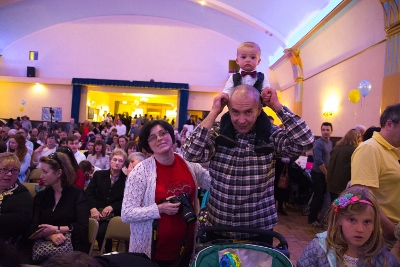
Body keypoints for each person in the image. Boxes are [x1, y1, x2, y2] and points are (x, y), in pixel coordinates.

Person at [182, 85, 313, 243]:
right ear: (228, 109)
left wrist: (276, 106)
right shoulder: (218, 133)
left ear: (259, 110)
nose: (241, 120)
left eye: (248, 112)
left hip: (258, 228)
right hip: (218, 227)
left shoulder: (270, 135)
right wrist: (214, 112)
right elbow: (190, 153)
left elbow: (305, 142)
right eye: (235, 112)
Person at [121, 120, 211, 267]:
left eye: (163, 133)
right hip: (151, 251)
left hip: (185, 247)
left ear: (171, 135)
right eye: (153, 137)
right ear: (148, 145)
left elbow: (213, 182)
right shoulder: (140, 171)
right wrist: (160, 209)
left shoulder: (188, 164)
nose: (159, 138)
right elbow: (127, 213)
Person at [297, 185, 399, 267]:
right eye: (352, 220)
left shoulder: (384, 260)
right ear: (338, 218)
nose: (360, 229)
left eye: (367, 222)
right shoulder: (318, 249)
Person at [351, 103, 400, 247]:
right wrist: (390, 231)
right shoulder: (370, 149)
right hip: (382, 236)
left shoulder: (394, 150)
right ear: (390, 124)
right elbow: (363, 196)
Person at [28, 152, 89, 263]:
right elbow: (33, 226)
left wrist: (56, 229)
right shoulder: (42, 196)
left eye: (45, 172)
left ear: (59, 172)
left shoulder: (77, 195)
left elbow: (82, 227)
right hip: (43, 249)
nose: (41, 176)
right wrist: (50, 236)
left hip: (71, 252)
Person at [217, 42, 272, 153]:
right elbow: (227, 90)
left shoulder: (262, 76)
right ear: (237, 60)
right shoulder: (234, 77)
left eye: (252, 57)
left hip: (256, 110)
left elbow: (266, 89)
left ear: (258, 61)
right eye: (243, 57)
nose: (248, 60)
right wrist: (225, 96)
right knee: (225, 118)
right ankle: (227, 136)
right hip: (237, 108)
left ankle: (262, 141)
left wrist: (266, 94)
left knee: (265, 121)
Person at [85, 149, 128, 253]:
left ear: (123, 164)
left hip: (112, 215)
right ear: (110, 160)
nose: (117, 163)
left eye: (120, 161)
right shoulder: (99, 175)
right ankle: (84, 255)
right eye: (115, 160)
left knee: (101, 232)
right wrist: (93, 208)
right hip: (94, 210)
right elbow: (88, 193)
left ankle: (105, 255)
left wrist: (112, 207)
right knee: (83, 229)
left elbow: (125, 200)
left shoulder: (126, 179)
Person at [0, 153, 33, 258]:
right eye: (4, 169)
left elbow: (21, 220)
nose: (9, 174)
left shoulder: (22, 194)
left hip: (7, 244)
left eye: (14, 170)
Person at [308, 122, 333, 228]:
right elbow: (318, 161)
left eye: (327, 130)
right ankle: (312, 219)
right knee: (317, 196)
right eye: (323, 130)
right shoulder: (318, 143)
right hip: (318, 173)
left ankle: (317, 217)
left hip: (325, 173)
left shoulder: (330, 143)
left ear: (331, 131)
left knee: (322, 196)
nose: (325, 132)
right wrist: (326, 174)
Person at [327, 129, 360, 200]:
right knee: (341, 207)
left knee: (333, 205)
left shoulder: (336, 147)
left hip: (331, 182)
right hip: (342, 184)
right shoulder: (353, 150)